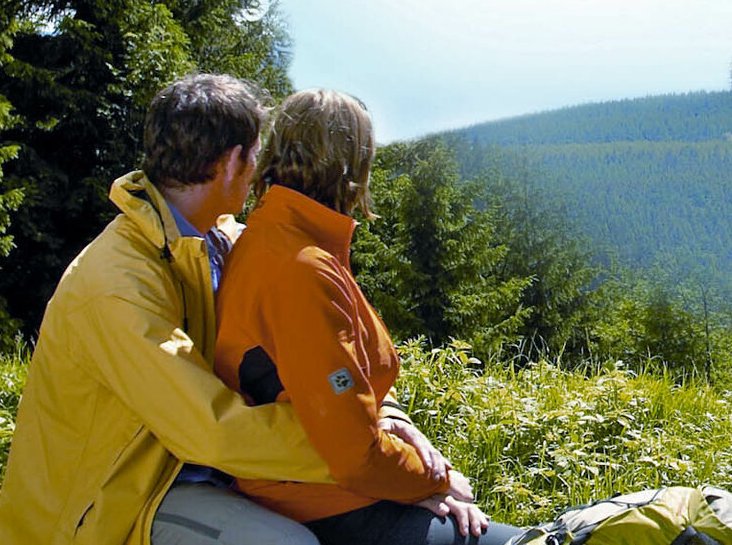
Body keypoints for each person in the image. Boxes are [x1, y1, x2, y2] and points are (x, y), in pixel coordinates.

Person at [0, 74, 330, 545]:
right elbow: (212, 431)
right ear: (233, 161)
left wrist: (382, 432)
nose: (258, 172)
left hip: (189, 474)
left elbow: (326, 336)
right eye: (255, 156)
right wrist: (353, 452)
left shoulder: (219, 241)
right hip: (111, 508)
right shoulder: (116, 284)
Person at [212, 89, 523, 545]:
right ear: (353, 169)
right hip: (321, 501)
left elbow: (340, 391)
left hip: (334, 486)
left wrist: (396, 421)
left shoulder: (290, 238)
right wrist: (433, 483)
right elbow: (353, 453)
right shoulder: (300, 268)